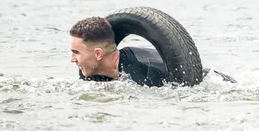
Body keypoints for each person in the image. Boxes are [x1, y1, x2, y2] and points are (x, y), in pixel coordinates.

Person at [69, 16, 235, 86]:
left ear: (98, 54)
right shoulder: (91, 73)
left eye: (76, 52)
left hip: (219, 84)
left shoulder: (143, 71)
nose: (72, 59)